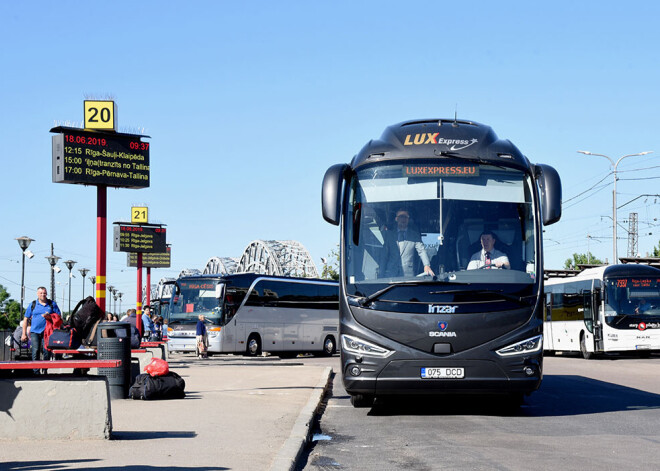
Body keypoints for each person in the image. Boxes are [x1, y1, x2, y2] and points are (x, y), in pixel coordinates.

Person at [21, 287, 62, 371]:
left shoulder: (52, 304)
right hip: (35, 332)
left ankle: (45, 369)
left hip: (47, 332)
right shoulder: (33, 304)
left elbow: (59, 317)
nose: (43, 295)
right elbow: (26, 319)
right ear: (37, 294)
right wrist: (24, 333)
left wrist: (49, 316)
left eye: (44, 293)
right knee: (35, 350)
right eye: (41, 293)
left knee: (47, 351)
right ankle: (35, 371)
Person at [386, 209, 434, 277]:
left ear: (408, 219)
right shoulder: (389, 235)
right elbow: (384, 254)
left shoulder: (414, 235)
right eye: (401, 217)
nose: (403, 219)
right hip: (390, 273)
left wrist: (426, 265)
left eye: (406, 217)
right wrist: (381, 271)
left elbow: (421, 251)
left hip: (408, 274)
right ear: (396, 219)